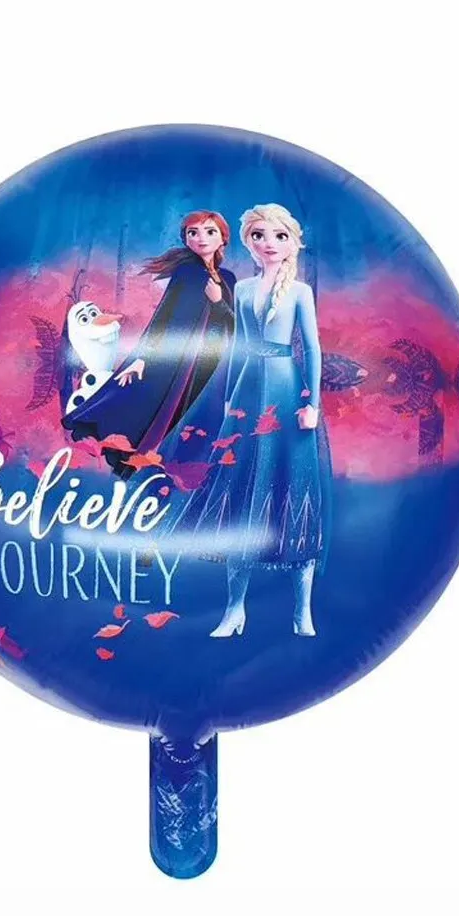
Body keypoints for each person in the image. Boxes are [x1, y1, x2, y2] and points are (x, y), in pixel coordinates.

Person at [167, 204, 330, 636]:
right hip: (246, 395)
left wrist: (312, 402)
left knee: (295, 489)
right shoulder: (241, 290)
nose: (268, 244)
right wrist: (228, 398)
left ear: (292, 242)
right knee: (240, 492)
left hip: (287, 392)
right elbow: (238, 346)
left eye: (279, 236)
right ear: (247, 242)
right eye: (259, 235)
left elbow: (312, 348)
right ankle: (234, 609)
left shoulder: (300, 292)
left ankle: (302, 611)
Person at [62, 211, 236, 478]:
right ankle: (148, 467)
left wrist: (217, 301)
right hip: (178, 360)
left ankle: (191, 473)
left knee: (199, 420)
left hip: (214, 361)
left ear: (223, 238)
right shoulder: (186, 273)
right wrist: (142, 358)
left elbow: (234, 325)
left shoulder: (228, 279)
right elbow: (164, 317)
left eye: (210, 231)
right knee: (157, 410)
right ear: (186, 239)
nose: (201, 238)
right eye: (193, 233)